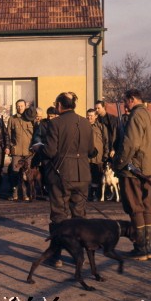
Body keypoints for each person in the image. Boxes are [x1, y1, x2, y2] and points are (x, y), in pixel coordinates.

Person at [42, 92, 95, 266]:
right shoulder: (86, 122)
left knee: (59, 215)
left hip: (61, 174)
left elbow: (50, 151)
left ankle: (56, 255)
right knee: (79, 215)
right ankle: (80, 255)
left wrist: (39, 150)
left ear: (59, 105)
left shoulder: (54, 123)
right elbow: (90, 149)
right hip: (83, 174)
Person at [114, 89, 151, 261]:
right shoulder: (150, 116)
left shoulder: (135, 116)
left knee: (135, 207)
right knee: (147, 207)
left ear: (132, 99)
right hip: (149, 169)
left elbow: (130, 144)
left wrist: (118, 163)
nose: (124, 105)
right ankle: (146, 248)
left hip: (134, 170)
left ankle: (140, 248)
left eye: (125, 101)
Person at [6, 100, 34, 201]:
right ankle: (14, 193)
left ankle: (26, 193)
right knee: (14, 172)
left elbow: (35, 134)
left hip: (28, 152)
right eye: (18, 106)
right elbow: (8, 135)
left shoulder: (31, 118)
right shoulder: (12, 119)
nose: (19, 108)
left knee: (27, 174)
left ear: (25, 106)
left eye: (21, 106)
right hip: (16, 151)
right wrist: (8, 147)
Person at [86, 108, 109, 201]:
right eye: (88, 115)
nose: (89, 117)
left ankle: (97, 195)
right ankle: (88, 194)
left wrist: (106, 155)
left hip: (98, 158)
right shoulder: (83, 126)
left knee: (97, 177)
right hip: (86, 158)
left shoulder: (101, 127)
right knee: (87, 177)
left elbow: (106, 142)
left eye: (91, 115)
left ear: (96, 116)